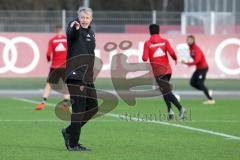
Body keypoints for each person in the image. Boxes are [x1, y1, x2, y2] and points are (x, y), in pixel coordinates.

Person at [61, 6, 98, 151]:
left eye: (87, 17)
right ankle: (73, 144)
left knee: (93, 107)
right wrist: (75, 27)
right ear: (78, 17)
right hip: (76, 76)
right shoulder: (73, 26)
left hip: (87, 77)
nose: (84, 20)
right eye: (82, 17)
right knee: (79, 110)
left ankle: (69, 131)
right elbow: (73, 34)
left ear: (91, 18)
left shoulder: (91, 32)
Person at [142, 24, 186, 120]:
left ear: (150, 31)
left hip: (158, 72)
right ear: (158, 31)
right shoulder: (165, 41)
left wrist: (149, 55)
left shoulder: (147, 43)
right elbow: (172, 53)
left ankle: (180, 108)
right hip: (168, 70)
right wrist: (175, 59)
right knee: (164, 91)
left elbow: (144, 58)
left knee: (166, 91)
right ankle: (170, 112)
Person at [35, 25, 69, 110]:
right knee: (66, 85)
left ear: (56, 30)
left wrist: (48, 59)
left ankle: (43, 102)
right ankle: (66, 103)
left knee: (49, 85)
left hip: (55, 66)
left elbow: (48, 53)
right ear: (62, 30)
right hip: (65, 66)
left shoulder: (52, 40)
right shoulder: (67, 40)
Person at [181, 35, 215, 105]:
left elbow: (197, 61)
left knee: (200, 83)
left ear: (194, 40)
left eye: (190, 40)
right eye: (188, 40)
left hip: (203, 68)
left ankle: (210, 99)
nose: (189, 41)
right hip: (198, 69)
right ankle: (207, 91)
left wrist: (187, 63)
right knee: (192, 83)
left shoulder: (196, 49)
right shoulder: (191, 49)